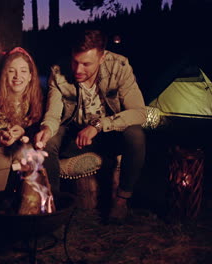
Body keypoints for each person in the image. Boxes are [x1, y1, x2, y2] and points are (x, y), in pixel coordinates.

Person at [34, 29, 146, 222]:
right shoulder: (58, 72)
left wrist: (99, 125)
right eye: (75, 61)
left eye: (86, 64)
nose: (78, 70)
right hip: (75, 139)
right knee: (49, 140)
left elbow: (139, 112)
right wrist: (46, 128)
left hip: (110, 134)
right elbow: (53, 114)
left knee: (135, 134)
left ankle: (121, 201)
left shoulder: (119, 67)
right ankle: (53, 205)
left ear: (101, 58)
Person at [0, 47, 43, 193]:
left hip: (23, 148)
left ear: (31, 75)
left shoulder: (37, 99)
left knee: (26, 155)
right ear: (4, 74)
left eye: (23, 71)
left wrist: (23, 132)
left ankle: (27, 207)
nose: (17, 76)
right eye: (11, 71)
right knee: (0, 157)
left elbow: (38, 126)